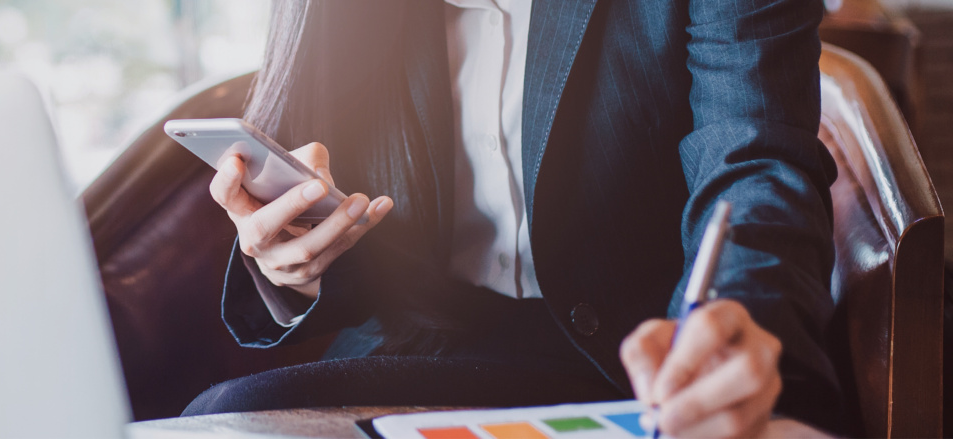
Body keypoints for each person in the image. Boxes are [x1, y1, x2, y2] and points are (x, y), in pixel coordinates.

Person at [182, 0, 848, 437]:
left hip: (636, 361)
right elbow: (336, 216)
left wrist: (733, 318)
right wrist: (290, 260)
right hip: (413, 356)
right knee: (215, 423)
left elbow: (756, 161)